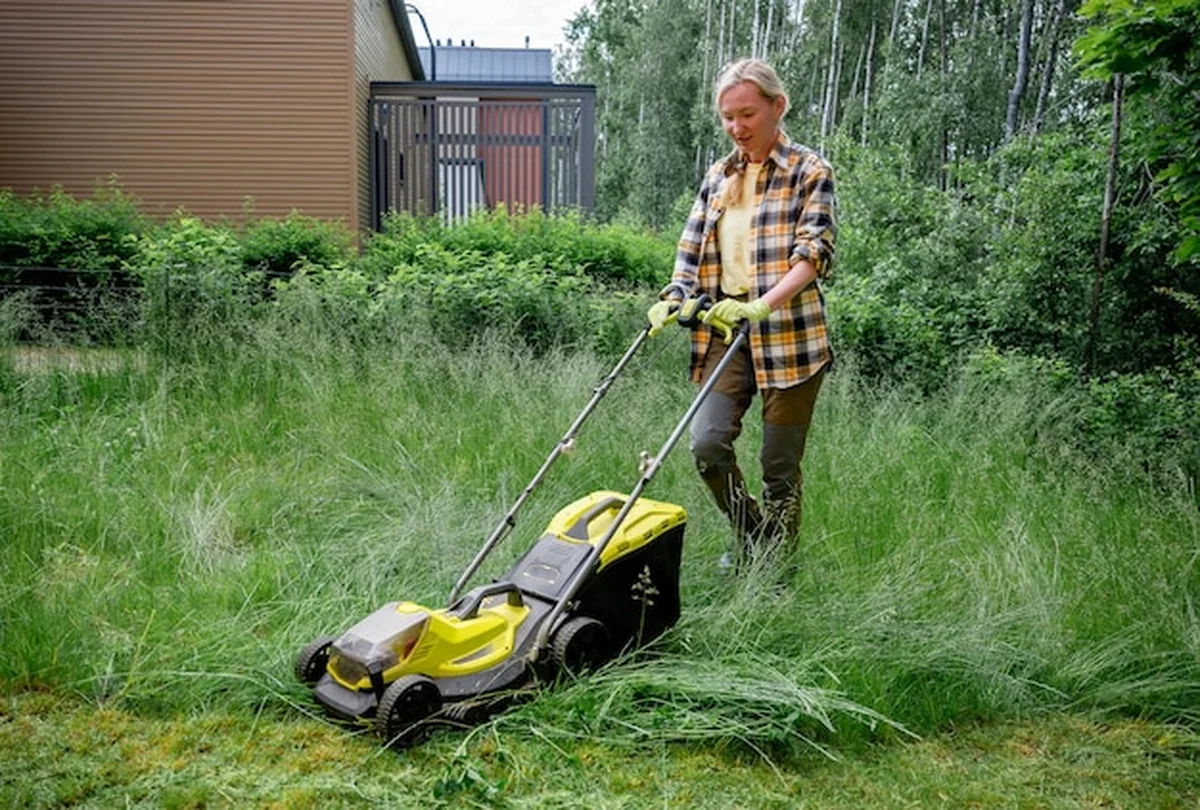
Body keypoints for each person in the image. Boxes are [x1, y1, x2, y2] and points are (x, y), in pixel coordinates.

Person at [646, 58, 836, 576]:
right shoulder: (718, 175)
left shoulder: (809, 171)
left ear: (778, 106)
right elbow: (690, 250)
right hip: (726, 331)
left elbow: (814, 254)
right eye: (728, 117)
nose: (737, 127)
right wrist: (675, 295)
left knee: (779, 468)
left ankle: (776, 571)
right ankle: (754, 535)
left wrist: (764, 303)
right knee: (707, 445)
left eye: (747, 114)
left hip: (791, 338)